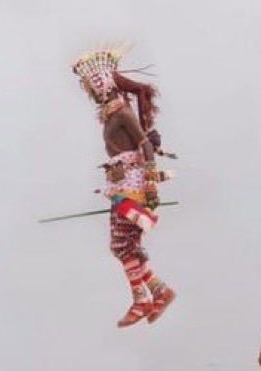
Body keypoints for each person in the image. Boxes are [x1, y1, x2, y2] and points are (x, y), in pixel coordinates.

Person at [71, 48, 176, 327]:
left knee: (121, 245)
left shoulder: (121, 112)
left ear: (103, 84)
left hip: (132, 188)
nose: (93, 91)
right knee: (124, 246)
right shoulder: (111, 114)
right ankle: (157, 292)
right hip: (121, 185)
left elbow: (144, 146)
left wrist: (151, 186)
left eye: (95, 85)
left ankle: (144, 299)